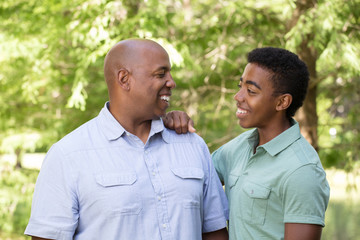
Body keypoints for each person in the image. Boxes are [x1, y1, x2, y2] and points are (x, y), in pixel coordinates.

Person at [25, 39, 229, 240]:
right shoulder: (68, 155)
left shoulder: (192, 145)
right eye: (161, 74)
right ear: (124, 79)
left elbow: (214, 232)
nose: (172, 82)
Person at [164, 47, 330, 240]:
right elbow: (194, 180)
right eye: (240, 86)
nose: (238, 97)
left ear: (282, 102)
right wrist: (174, 121)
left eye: (251, 91)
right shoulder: (237, 148)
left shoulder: (302, 171)